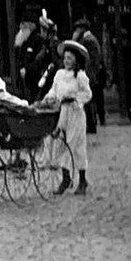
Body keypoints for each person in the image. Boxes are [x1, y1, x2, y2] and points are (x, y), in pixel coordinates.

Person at [39, 40, 93, 195]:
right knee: (61, 143)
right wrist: (49, 98)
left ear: (76, 59)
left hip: (76, 113)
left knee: (75, 145)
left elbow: (88, 93)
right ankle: (66, 178)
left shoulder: (80, 76)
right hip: (63, 112)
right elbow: (54, 91)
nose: (66, 61)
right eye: (65, 58)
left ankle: (82, 180)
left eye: (70, 58)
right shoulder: (59, 74)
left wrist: (77, 100)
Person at [72, 19, 106, 132]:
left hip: (89, 74)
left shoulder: (87, 40)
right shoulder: (90, 39)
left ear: (82, 29)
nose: (76, 31)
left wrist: (88, 74)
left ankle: (91, 124)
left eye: (78, 29)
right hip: (91, 73)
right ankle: (91, 123)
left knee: (88, 99)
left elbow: (90, 60)